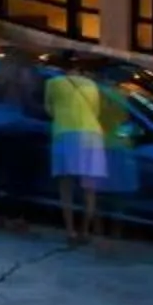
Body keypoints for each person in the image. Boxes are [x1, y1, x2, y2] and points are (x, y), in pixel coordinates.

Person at [44, 61, 112, 246]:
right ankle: (85, 231)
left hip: (65, 134)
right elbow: (96, 112)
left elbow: (49, 110)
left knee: (65, 186)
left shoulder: (53, 82)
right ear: (80, 70)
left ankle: (70, 232)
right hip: (92, 136)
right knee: (90, 189)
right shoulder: (91, 85)